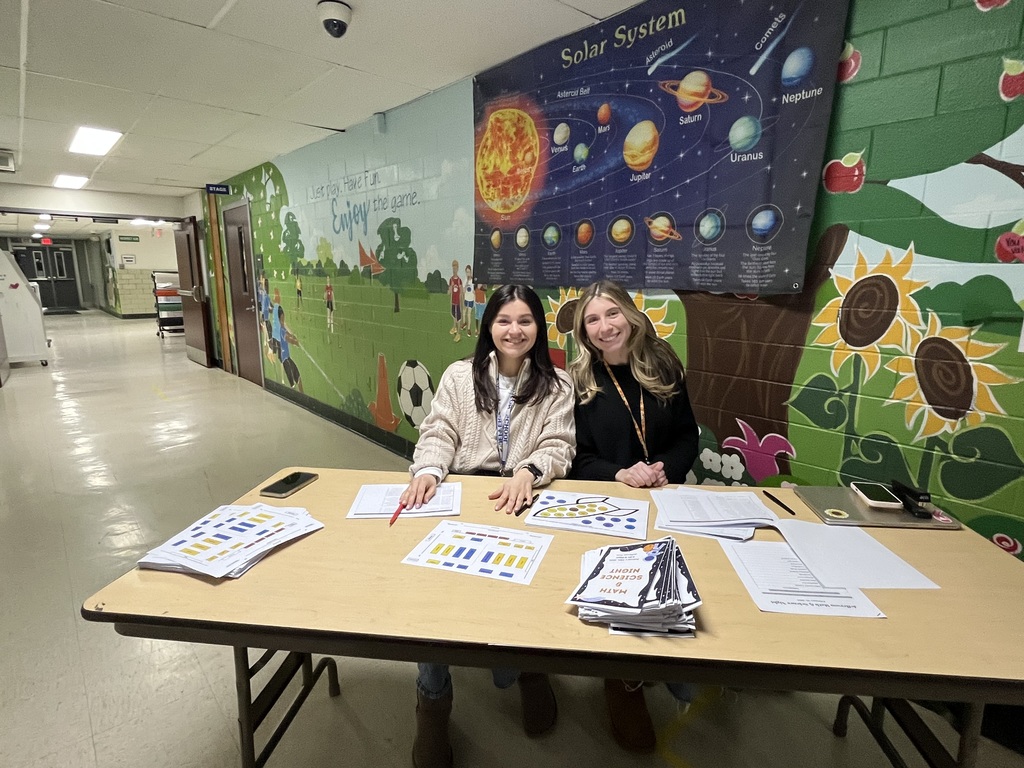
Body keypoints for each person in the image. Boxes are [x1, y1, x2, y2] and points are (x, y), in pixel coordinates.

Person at [401, 284, 575, 768]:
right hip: (462, 494)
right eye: (504, 321)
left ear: (538, 328)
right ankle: (432, 701)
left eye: (525, 321)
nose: (514, 330)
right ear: (488, 327)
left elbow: (559, 444)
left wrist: (529, 470)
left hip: (521, 497)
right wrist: (430, 471)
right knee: (433, 604)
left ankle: (529, 671)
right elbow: (439, 431)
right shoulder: (460, 376)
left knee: (524, 593)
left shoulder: (557, 384)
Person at [567, 279, 699, 753]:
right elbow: (577, 459)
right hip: (611, 503)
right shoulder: (580, 381)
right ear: (584, 331)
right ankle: (623, 683)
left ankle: (670, 665)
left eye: (612, 314)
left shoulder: (663, 363)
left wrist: (669, 467)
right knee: (623, 594)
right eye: (592, 320)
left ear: (630, 313)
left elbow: (688, 435)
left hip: (666, 498)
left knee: (675, 588)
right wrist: (620, 473)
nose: (605, 327)